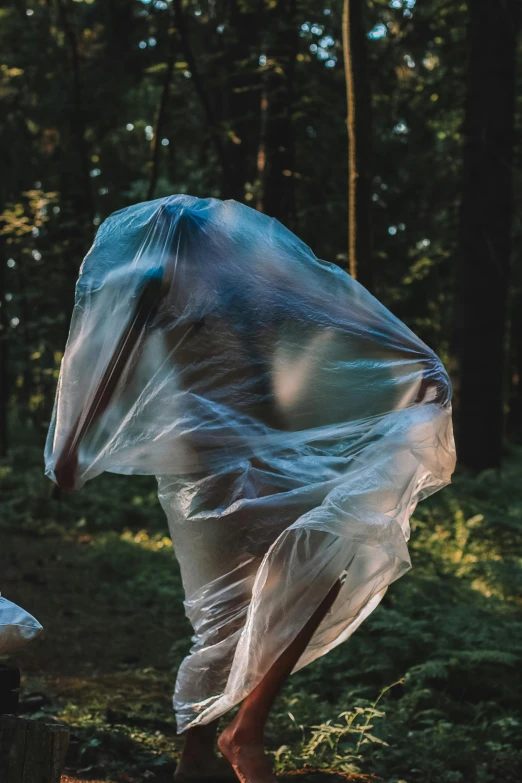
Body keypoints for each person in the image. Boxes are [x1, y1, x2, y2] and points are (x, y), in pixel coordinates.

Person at [46, 195, 455, 783]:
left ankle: (244, 731)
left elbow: (343, 322)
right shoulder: (150, 283)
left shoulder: (254, 286)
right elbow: (110, 364)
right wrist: (72, 443)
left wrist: (422, 373)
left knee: (322, 564)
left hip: (269, 446)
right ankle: (202, 749)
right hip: (201, 463)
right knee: (222, 611)